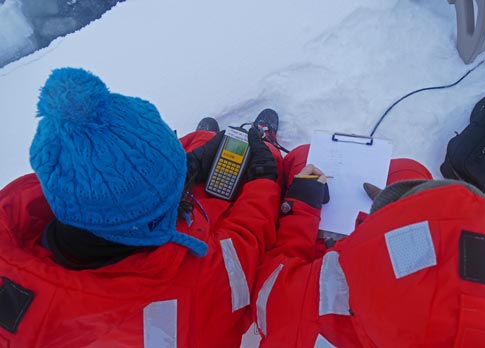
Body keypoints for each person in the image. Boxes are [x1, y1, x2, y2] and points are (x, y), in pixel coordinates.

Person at [0, 67, 282, 348]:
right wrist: (265, 181)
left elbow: (117, 180)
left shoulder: (65, 189)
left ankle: (199, 141)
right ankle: (264, 144)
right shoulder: (193, 296)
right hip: (183, 274)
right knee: (222, 200)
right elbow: (246, 245)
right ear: (149, 222)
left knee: (203, 154)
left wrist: (189, 165)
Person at [250, 144, 485, 347]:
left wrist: (301, 206)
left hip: (315, 285)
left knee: (304, 156)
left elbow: (271, 293)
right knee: (409, 169)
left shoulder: (298, 324)